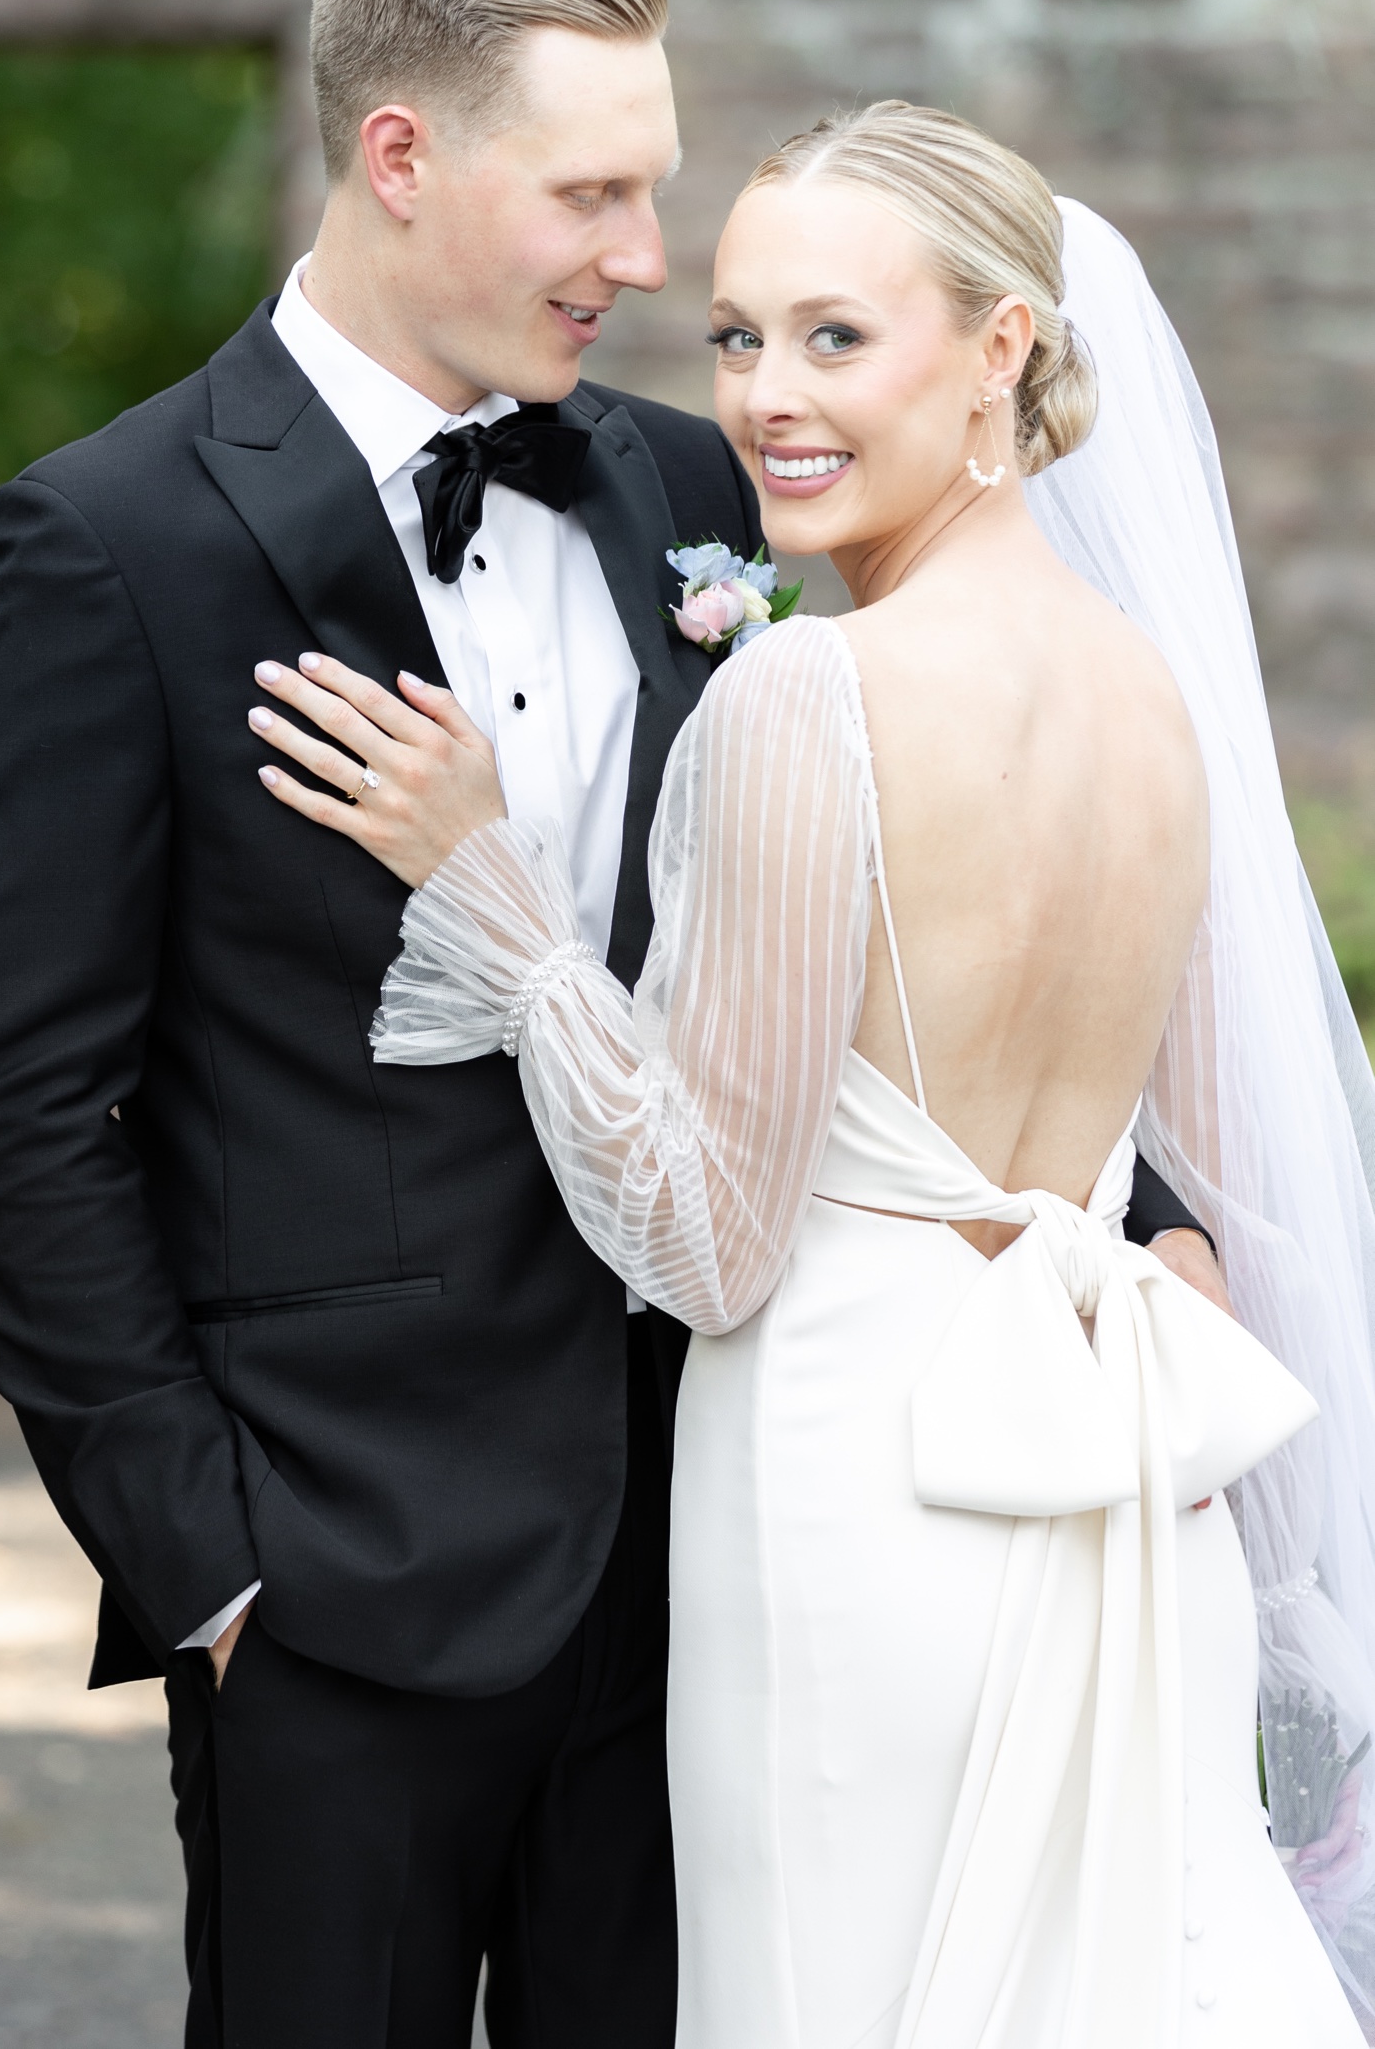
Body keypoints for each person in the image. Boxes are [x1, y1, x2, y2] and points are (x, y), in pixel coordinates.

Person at [0, 0, 1218, 2048]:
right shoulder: (109, 543)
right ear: (403, 157)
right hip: (335, 1588)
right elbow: (25, 1108)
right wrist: (207, 1566)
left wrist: (1121, 1205)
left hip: (724, 1554)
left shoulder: (698, 493)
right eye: (596, 194)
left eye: (657, 192)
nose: (646, 258)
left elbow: (890, 917)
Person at [256, 103, 1375, 2045]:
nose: (770, 396)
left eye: (837, 338)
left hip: (867, 1494)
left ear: (1004, 348)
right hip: (1121, 1485)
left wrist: (499, 909)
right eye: (739, 336)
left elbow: (701, 1238)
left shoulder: (806, 691)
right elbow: (1190, 1159)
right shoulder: (1160, 695)